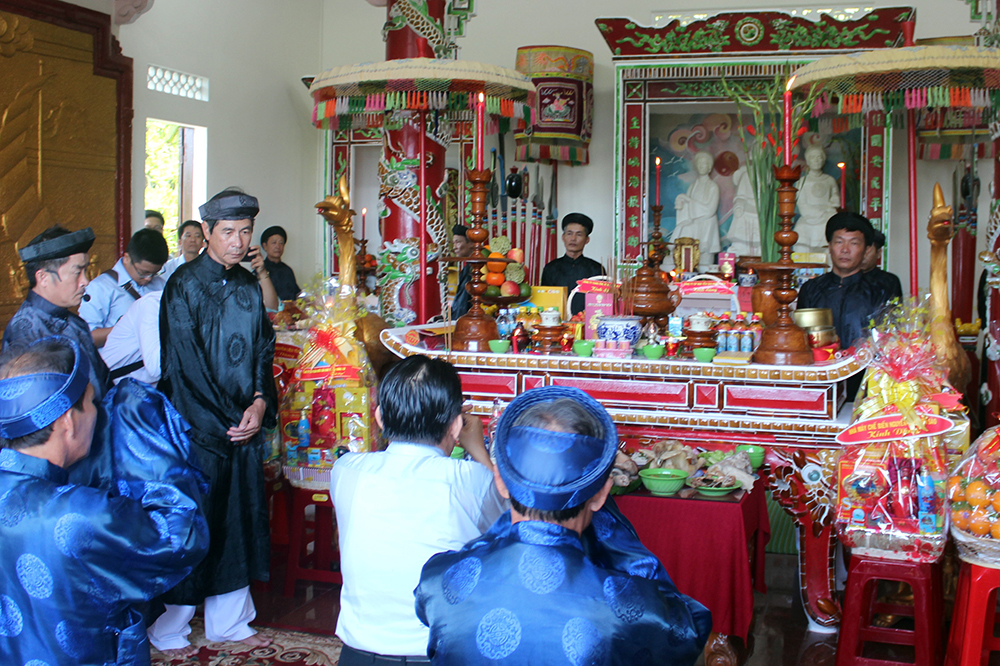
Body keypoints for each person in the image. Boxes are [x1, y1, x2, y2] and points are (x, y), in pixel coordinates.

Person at [415, 386, 712, 666]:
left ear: (502, 483)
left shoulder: (439, 581)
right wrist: (611, 531)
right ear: (601, 495)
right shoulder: (631, 609)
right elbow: (689, 627)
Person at [0, 336, 209, 665]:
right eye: (92, 403)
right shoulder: (79, 514)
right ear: (68, 420)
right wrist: (141, 424)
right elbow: (180, 538)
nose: (98, 414)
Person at [148, 187, 278, 656]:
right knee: (194, 524)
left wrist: (258, 405)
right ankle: (169, 627)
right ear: (206, 231)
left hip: (243, 426)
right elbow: (184, 366)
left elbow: (262, 350)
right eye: (228, 232)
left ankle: (229, 623)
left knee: (238, 521)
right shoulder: (183, 285)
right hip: (198, 430)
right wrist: (229, 421)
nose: (238, 242)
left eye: (245, 232)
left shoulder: (247, 286)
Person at [331, 355, 505, 665]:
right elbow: (511, 524)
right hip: (439, 655)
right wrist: (478, 450)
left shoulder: (346, 471)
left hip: (356, 655)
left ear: (380, 417)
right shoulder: (472, 479)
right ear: (456, 425)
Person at [798, 212, 902, 396]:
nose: (845, 250)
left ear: (867, 249)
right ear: (830, 246)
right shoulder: (811, 289)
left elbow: (890, 339)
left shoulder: (882, 288)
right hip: (819, 384)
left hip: (867, 385)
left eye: (854, 243)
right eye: (839, 242)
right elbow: (800, 340)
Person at [2, 226, 109, 398]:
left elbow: (103, 380)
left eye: (85, 271)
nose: (85, 281)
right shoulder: (26, 329)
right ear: (43, 277)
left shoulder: (76, 323)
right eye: (77, 272)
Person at [80, 228, 168, 348]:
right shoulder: (101, 287)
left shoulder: (161, 285)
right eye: (143, 272)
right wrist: (127, 327)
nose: (148, 279)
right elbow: (88, 337)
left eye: (155, 273)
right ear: (127, 258)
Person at [540, 213, 606, 316]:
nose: (573, 238)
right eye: (569, 233)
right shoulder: (551, 268)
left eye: (579, 234)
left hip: (587, 322)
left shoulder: (596, 269)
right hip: (558, 322)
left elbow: (601, 302)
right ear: (563, 237)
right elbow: (544, 301)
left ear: (587, 240)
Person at [673, 150, 722, 264]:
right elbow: (687, 208)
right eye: (699, 163)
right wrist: (681, 202)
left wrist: (689, 201)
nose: (701, 166)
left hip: (707, 225)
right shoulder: (692, 186)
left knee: (705, 260)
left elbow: (710, 210)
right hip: (693, 224)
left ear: (709, 167)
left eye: (704, 163)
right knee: (683, 233)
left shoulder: (713, 187)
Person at [794, 146, 840, 254]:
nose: (816, 160)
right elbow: (802, 204)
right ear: (808, 161)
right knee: (800, 231)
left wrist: (833, 202)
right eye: (813, 157)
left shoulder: (829, 180)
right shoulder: (802, 181)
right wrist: (819, 213)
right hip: (808, 217)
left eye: (819, 157)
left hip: (827, 216)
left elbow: (835, 200)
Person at [726, 163, 760, 257]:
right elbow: (740, 196)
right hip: (746, 209)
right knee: (740, 220)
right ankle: (739, 249)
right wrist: (739, 206)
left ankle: (759, 250)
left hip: (761, 210)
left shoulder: (768, 176)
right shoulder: (746, 175)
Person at [260, 225, 301, 301]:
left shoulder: (287, 270)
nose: (278, 246)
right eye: (274, 243)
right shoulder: (261, 270)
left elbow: (297, 294)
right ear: (265, 246)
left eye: (281, 243)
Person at [861, 229, 903, 298]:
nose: (863, 256)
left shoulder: (889, 281)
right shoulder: (844, 279)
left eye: (868, 252)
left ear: (878, 253)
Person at [451, 224, 473, 318]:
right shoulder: (466, 268)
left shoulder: (474, 269)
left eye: (458, 242)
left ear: (471, 243)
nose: (454, 247)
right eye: (454, 243)